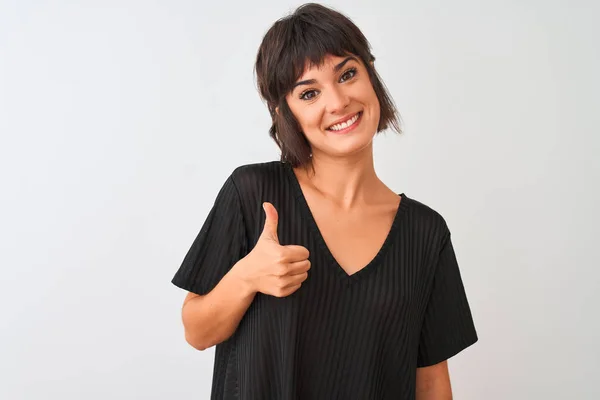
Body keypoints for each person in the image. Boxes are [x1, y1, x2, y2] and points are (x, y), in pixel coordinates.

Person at [171, 3, 478, 399]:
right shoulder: (253, 194)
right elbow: (196, 331)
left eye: (347, 74)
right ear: (286, 113)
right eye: (309, 93)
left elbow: (432, 383)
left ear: (371, 76)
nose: (337, 102)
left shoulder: (425, 233)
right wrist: (247, 277)